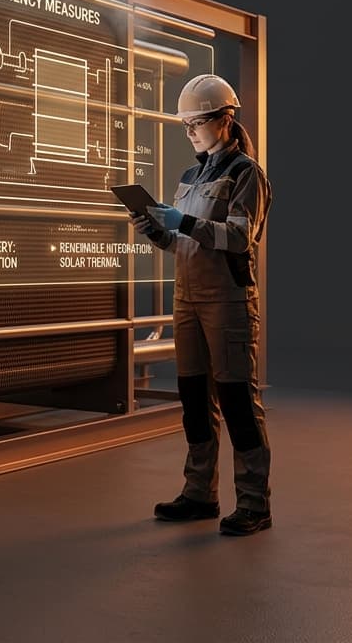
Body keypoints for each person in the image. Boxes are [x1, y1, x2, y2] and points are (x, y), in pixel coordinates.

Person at [131, 73, 273, 536]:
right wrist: (157, 230)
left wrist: (183, 221)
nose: (189, 129)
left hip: (228, 301)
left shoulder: (245, 173)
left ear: (225, 119)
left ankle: (254, 504)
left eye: (197, 121)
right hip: (188, 299)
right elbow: (184, 243)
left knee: (236, 400)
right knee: (194, 399)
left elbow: (238, 238)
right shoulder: (190, 175)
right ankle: (199, 494)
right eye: (185, 123)